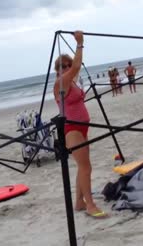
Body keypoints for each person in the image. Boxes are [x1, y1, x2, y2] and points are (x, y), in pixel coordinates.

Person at [53, 31, 107, 218]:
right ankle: (90, 204)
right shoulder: (61, 83)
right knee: (86, 167)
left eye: (68, 65)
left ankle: (79, 202)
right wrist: (80, 43)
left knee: (83, 166)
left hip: (83, 127)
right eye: (63, 66)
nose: (67, 68)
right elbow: (77, 66)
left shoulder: (73, 83)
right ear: (57, 70)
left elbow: (76, 69)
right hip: (72, 129)